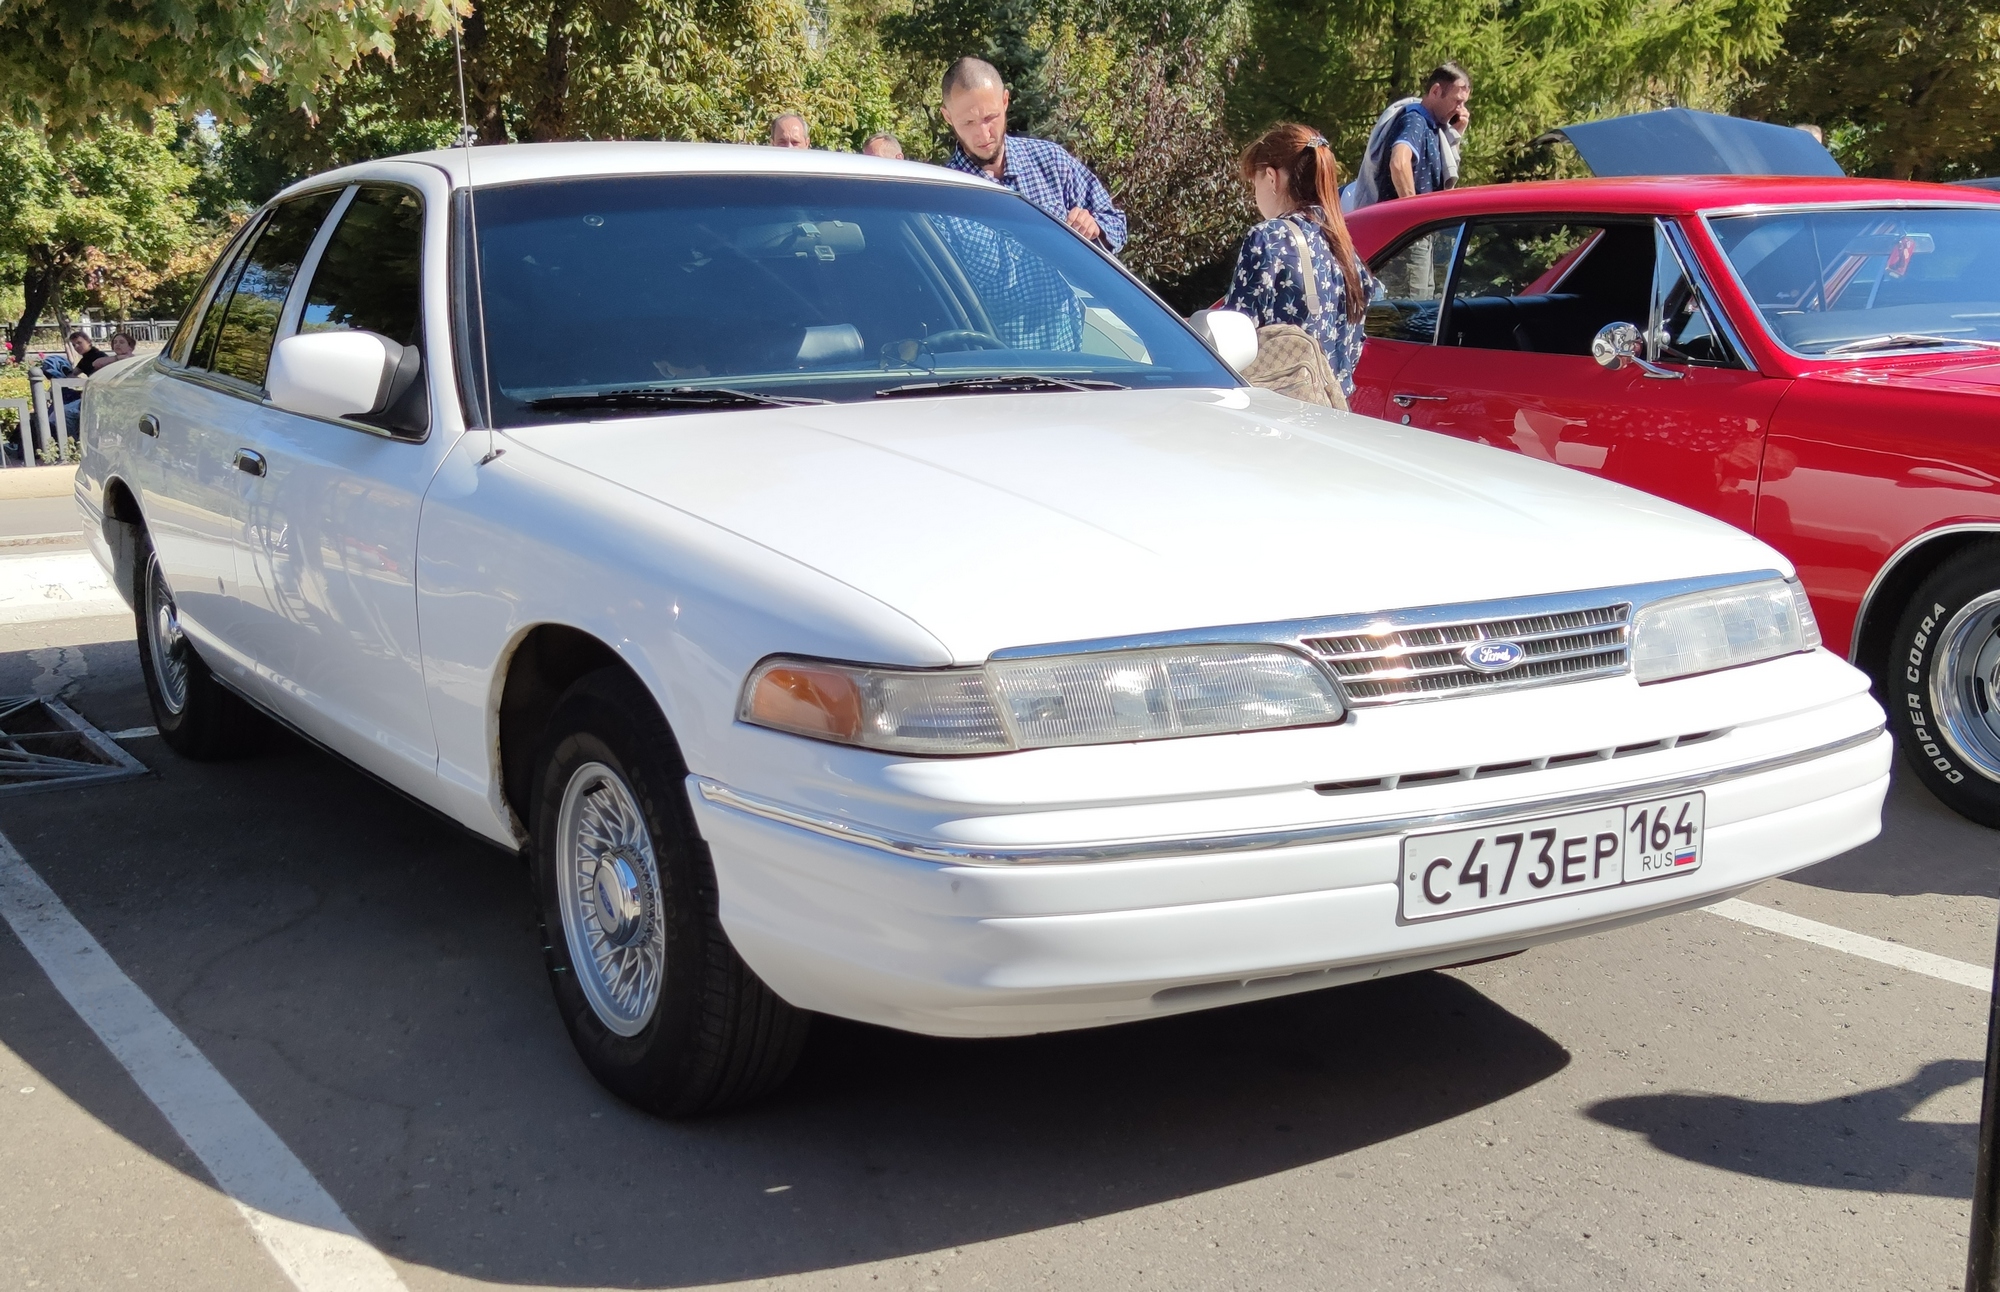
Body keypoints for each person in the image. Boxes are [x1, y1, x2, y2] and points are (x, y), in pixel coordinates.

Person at [1223, 122, 1375, 400]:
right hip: (1334, 415)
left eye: (1254, 182)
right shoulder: (1345, 249)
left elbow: (1233, 340)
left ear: (1272, 178)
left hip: (1278, 417)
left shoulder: (1268, 239)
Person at [939, 57, 1126, 253]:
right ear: (948, 117)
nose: (984, 134)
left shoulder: (1051, 161)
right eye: (969, 122)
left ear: (1004, 101)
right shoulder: (943, 200)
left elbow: (1115, 221)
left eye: (990, 117)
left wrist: (1094, 228)